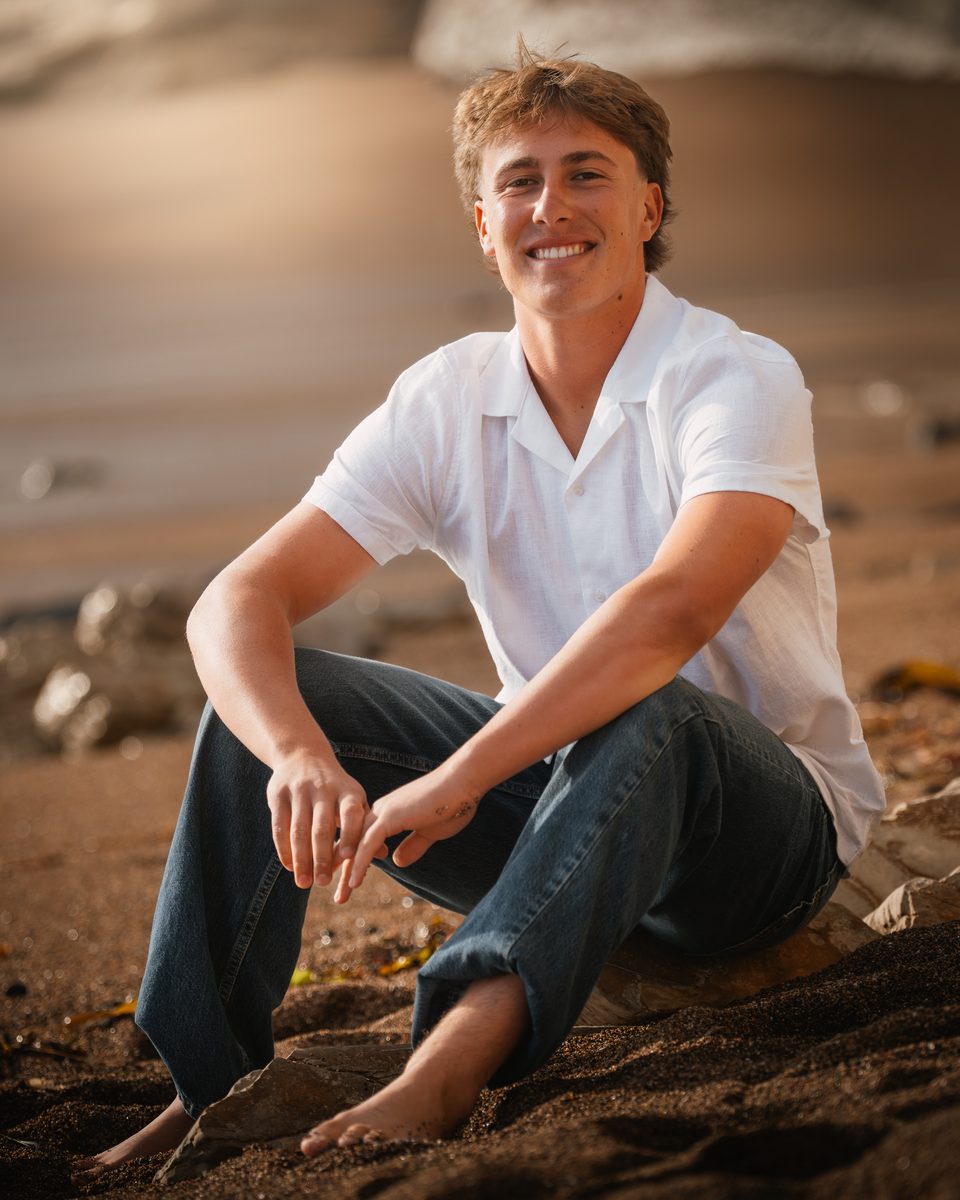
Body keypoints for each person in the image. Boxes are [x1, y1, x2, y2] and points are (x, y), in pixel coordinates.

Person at [83, 44, 884, 1170]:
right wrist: (300, 756)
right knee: (268, 701)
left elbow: (671, 614)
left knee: (654, 711)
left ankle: (449, 1062)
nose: (551, 206)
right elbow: (238, 599)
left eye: (587, 173)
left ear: (650, 206)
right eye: (519, 181)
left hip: (756, 843)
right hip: (554, 810)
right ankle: (206, 1085)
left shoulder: (732, 376)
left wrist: (463, 773)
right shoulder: (450, 397)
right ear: (481, 223)